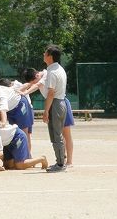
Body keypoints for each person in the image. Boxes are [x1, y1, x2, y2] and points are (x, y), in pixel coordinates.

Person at [21, 67, 74, 166]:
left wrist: (25, 93)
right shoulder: (39, 77)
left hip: (60, 102)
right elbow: (31, 84)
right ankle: (63, 156)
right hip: (52, 104)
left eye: (33, 81)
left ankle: (69, 161)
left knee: (66, 132)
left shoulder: (46, 74)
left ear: (37, 75)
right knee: (58, 133)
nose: (33, 83)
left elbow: (37, 85)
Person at [42, 44, 68, 172]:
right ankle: (60, 160)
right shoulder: (60, 69)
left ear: (50, 57)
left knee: (56, 134)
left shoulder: (52, 72)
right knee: (57, 133)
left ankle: (60, 164)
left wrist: (46, 111)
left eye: (45, 53)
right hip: (61, 102)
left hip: (56, 103)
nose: (43, 55)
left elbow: (51, 93)